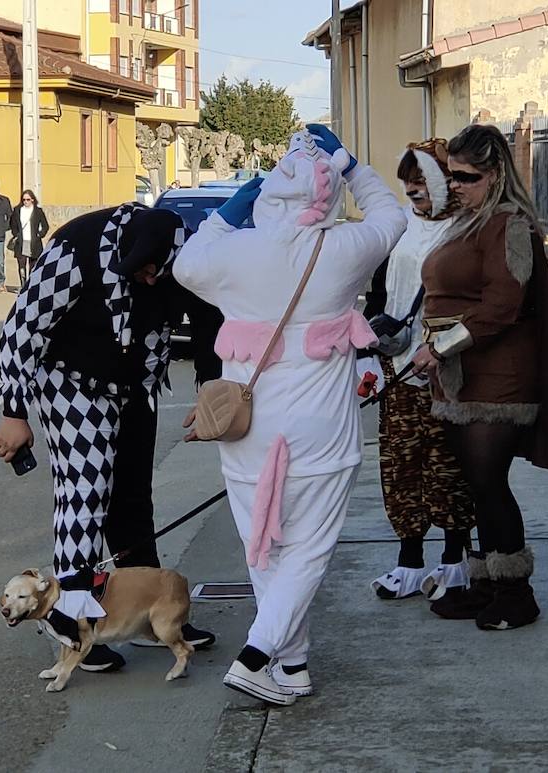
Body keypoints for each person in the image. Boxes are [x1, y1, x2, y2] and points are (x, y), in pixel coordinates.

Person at [174, 125, 407, 706]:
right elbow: (390, 215)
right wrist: (350, 164)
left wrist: (230, 212)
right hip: (322, 429)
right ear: (328, 198)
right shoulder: (345, 249)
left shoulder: (234, 252)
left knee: (265, 549)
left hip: (248, 427)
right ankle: (260, 654)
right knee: (307, 549)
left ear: (269, 193)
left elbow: (186, 263)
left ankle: (293, 664)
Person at [0, 202, 221, 674]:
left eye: (162, 272)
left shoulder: (193, 260)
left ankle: (150, 612)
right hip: (70, 381)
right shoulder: (79, 248)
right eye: (144, 272)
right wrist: (14, 412)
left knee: (134, 497)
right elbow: (20, 331)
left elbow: (208, 330)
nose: (154, 281)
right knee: (85, 495)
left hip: (137, 382)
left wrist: (210, 396)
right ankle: (74, 625)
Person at [408, 123, 548, 631]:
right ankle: (485, 584)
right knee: (477, 485)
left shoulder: (509, 224)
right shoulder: (468, 222)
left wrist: (440, 346)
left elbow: (503, 307)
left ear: (496, 173)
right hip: (460, 375)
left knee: (488, 482)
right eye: (451, 175)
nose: (455, 184)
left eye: (468, 176)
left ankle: (515, 592)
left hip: (498, 379)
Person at [366, 139, 477, 605]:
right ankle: (409, 562)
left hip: (447, 372)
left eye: (422, 188)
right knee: (400, 465)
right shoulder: (402, 229)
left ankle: (455, 559)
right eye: (409, 192)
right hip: (397, 368)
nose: (416, 199)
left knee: (448, 466)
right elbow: (379, 293)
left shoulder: (465, 231)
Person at [6, 189, 49, 280]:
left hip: (34, 242)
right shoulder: (17, 210)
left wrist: (39, 235)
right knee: (21, 265)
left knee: (33, 266)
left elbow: (45, 226)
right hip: (21, 242)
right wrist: (16, 234)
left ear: (32, 199)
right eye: (24, 200)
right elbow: (12, 224)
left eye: (28, 199)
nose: (25, 201)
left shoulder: (38, 211)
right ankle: (23, 285)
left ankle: (30, 284)